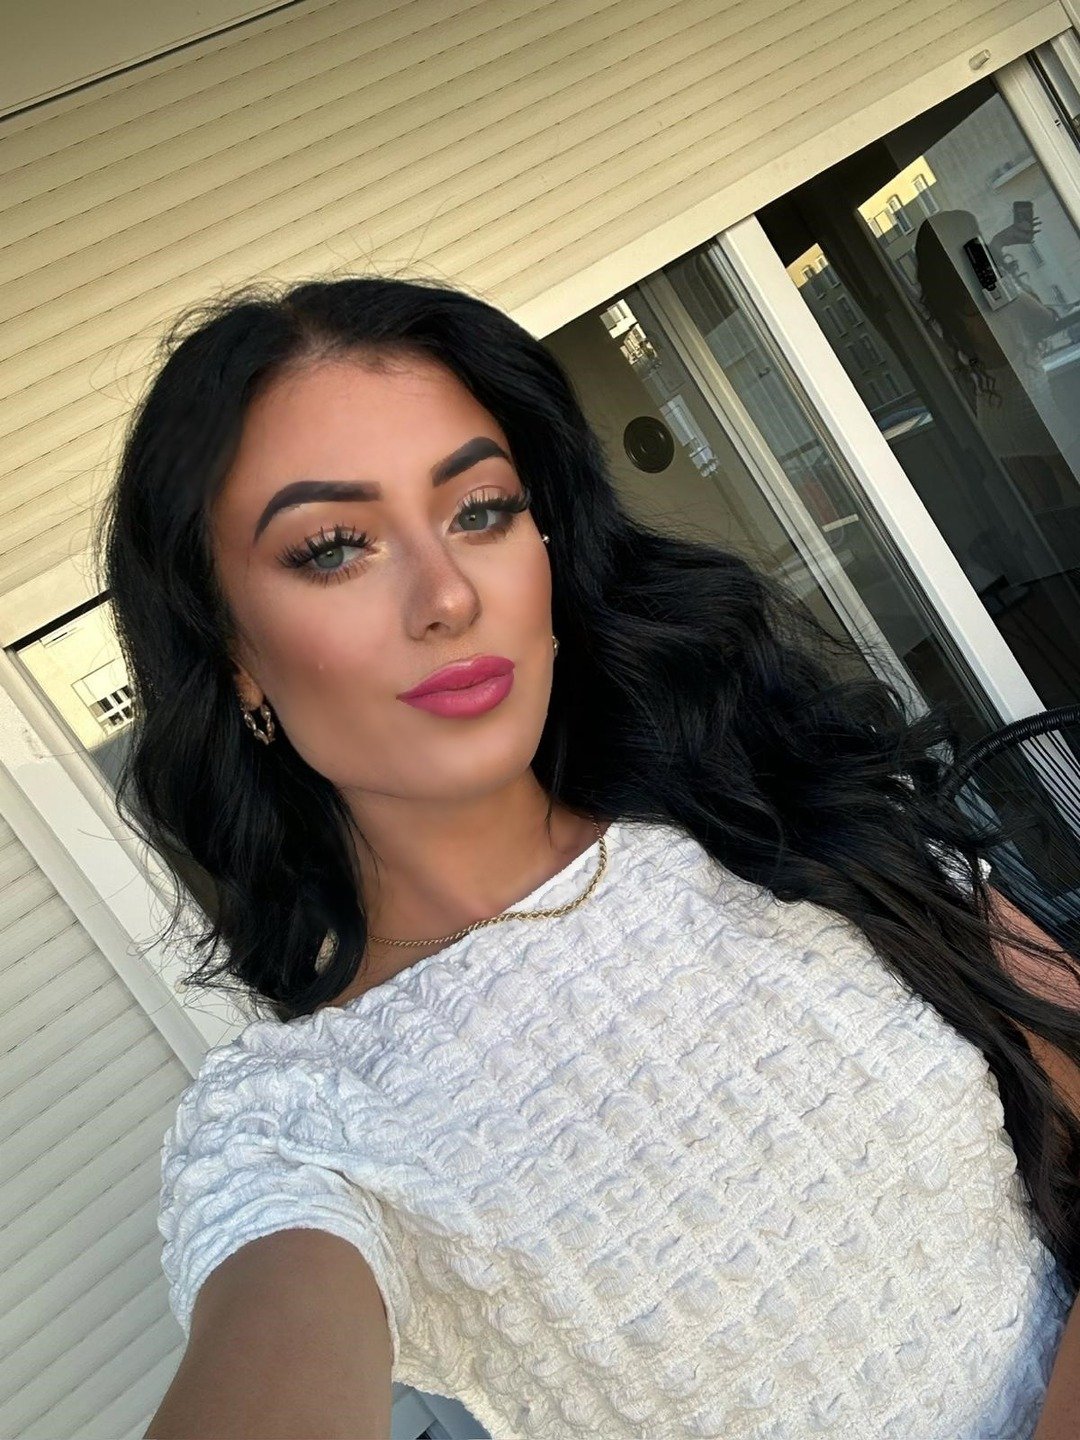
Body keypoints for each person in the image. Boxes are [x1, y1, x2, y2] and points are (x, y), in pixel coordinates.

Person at [97, 275, 1080, 1438]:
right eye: (333, 548)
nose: (447, 595)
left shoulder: (772, 811)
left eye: (481, 510)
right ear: (234, 656)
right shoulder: (301, 1129)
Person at [914, 207, 1080, 510]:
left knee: (1050, 512)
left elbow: (957, 366)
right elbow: (1044, 320)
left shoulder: (938, 312)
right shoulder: (995, 291)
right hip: (1033, 410)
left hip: (994, 422)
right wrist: (998, 252)